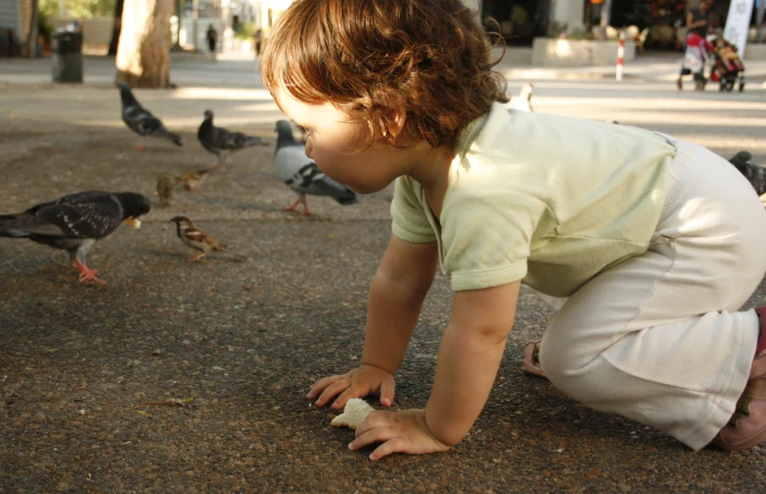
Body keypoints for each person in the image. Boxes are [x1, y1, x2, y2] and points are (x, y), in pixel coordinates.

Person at [261, 0, 766, 460]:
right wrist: (376, 365)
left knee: (578, 359)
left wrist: (438, 427)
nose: (306, 147)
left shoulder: (485, 186)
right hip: (670, 203)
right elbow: (399, 281)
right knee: (561, 293)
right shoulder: (427, 162)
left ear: (388, 120)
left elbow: (483, 328)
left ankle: (748, 351)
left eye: (310, 129)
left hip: (707, 230)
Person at [677, 0, 712, 90]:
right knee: (690, 60)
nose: (706, 6)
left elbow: (709, 25)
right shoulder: (693, 11)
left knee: (701, 60)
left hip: (701, 39)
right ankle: (681, 77)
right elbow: (689, 25)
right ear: (701, 2)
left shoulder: (708, 12)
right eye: (705, 4)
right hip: (692, 40)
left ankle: (698, 81)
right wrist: (699, 24)